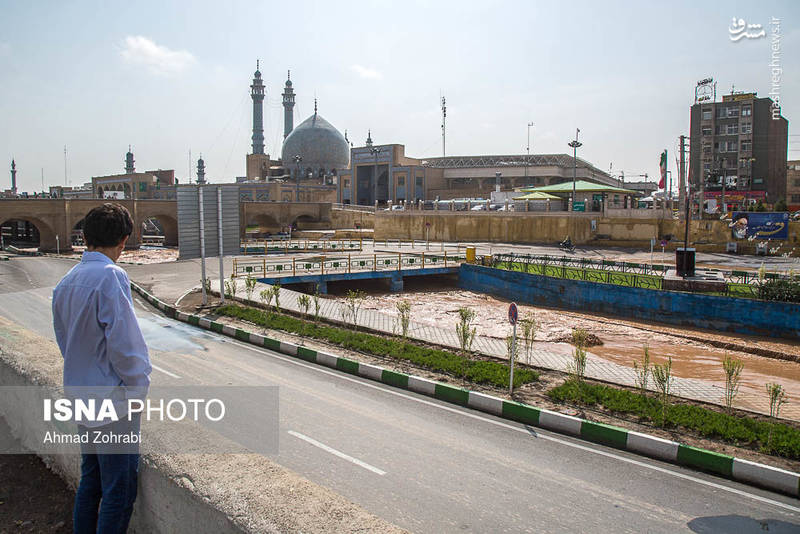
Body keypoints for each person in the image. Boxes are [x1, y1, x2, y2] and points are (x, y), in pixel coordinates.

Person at [52, 203, 151, 533]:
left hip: (82, 398)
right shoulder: (111, 276)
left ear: (84, 236)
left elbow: (65, 341)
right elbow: (125, 345)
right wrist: (137, 391)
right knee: (118, 493)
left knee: (91, 482)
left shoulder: (66, 282)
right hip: (113, 406)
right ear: (124, 241)